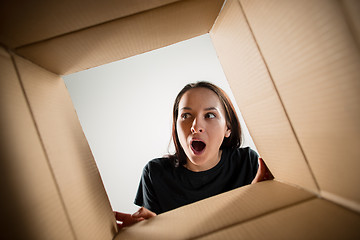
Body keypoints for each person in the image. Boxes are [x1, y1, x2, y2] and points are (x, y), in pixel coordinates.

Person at [114, 81, 272, 229]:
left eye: (209, 115)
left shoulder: (247, 162)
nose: (195, 126)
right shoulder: (155, 173)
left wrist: (259, 196)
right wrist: (145, 230)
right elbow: (154, 229)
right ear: (176, 126)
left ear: (228, 128)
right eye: (185, 116)